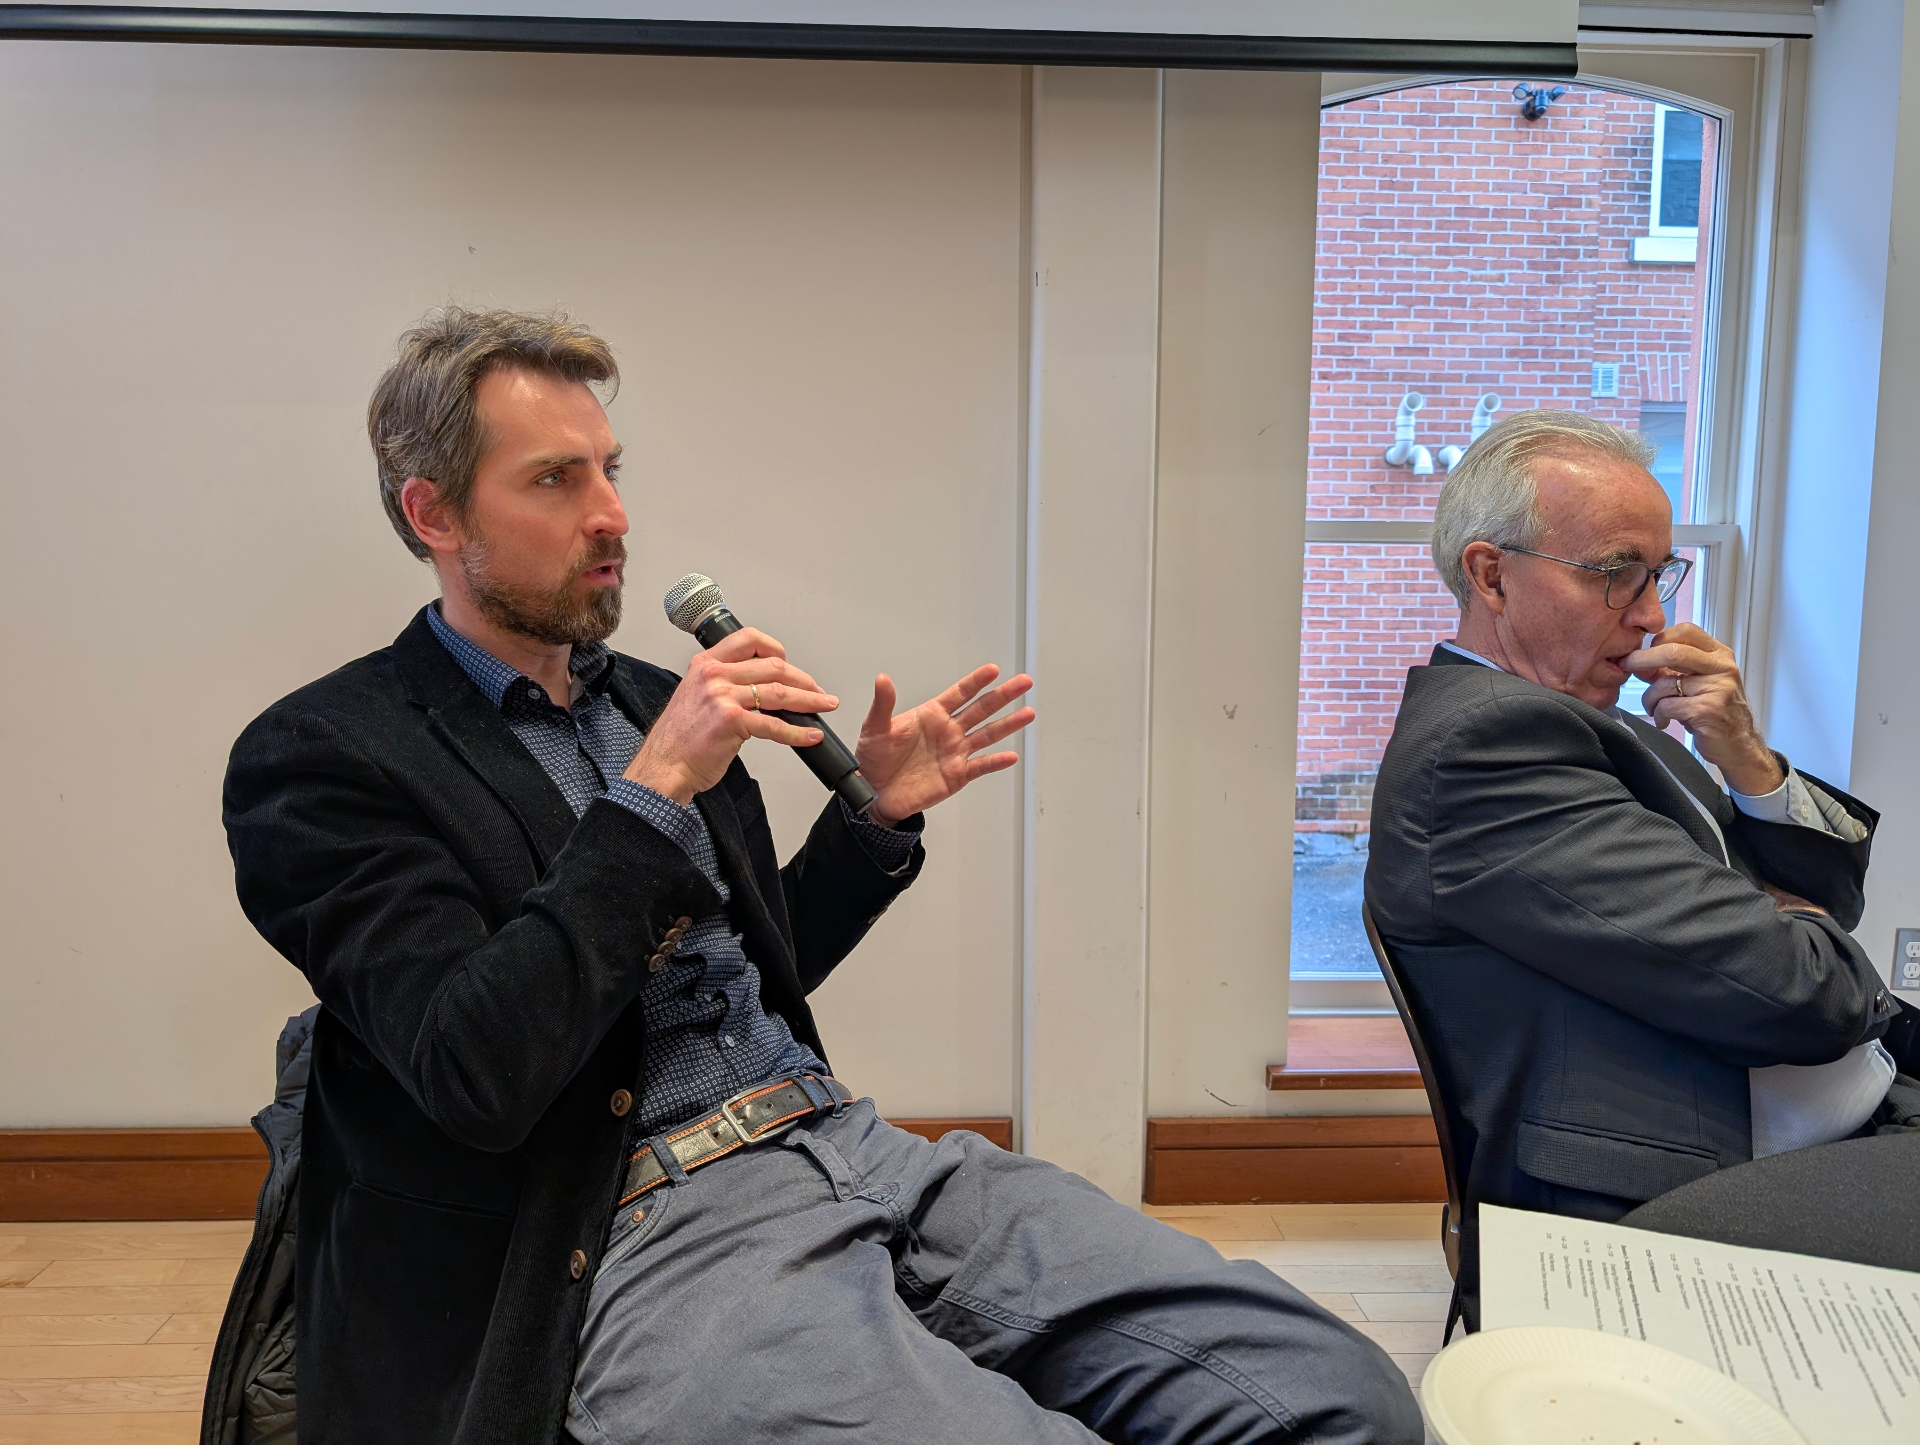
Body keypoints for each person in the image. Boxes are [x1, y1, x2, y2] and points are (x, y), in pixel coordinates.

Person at [224, 308, 1421, 1445]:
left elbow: (744, 963)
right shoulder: (327, 755)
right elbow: (473, 1066)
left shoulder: (649, 697)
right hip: (635, 1220)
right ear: (433, 513)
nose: (613, 516)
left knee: (1335, 1391)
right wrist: (652, 794)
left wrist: (873, 825)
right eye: (555, 479)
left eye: (612, 469)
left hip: (849, 1144)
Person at [1366, 409, 1920, 1330]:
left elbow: (1829, 902)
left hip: (1840, 1092)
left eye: (1658, 573)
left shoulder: (1604, 721)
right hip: (1690, 1179)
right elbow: (1804, 987)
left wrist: (1747, 758)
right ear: (1490, 572)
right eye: (1615, 573)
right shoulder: (1487, 746)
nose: (1656, 614)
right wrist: (1790, 926)